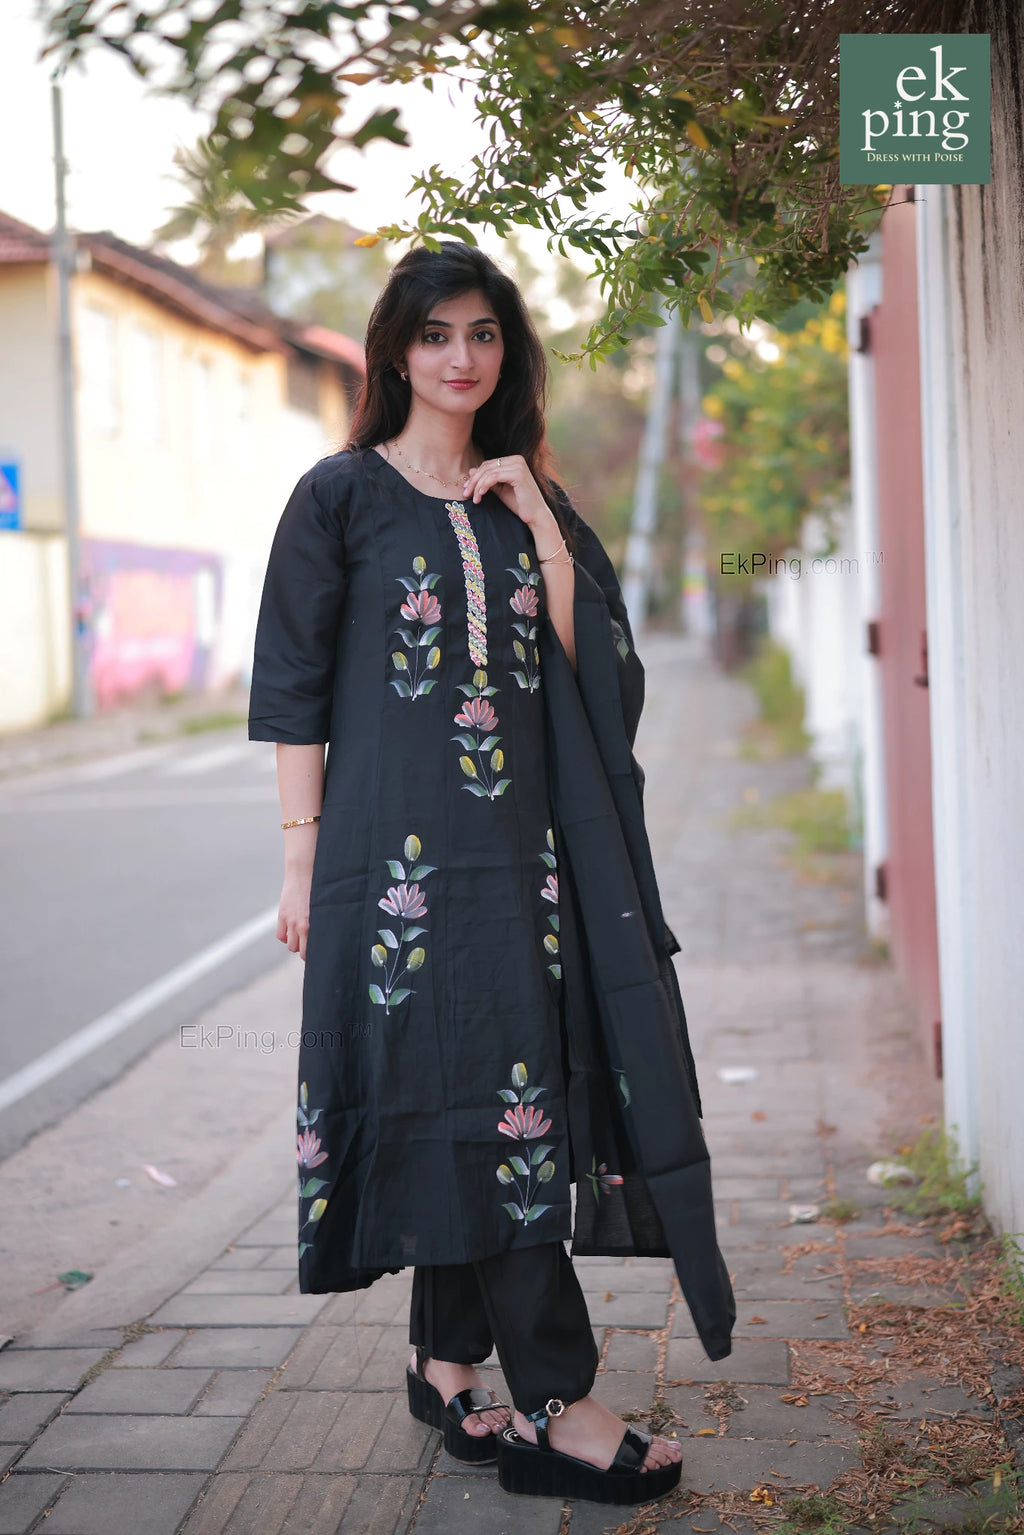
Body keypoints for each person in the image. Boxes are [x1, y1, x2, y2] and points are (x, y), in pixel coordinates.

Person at [249, 241, 731, 1506]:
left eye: (482, 334)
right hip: (384, 867)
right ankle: (557, 1403)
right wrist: (299, 867)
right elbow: (293, 692)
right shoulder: (339, 496)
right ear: (394, 350)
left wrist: (545, 538)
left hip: (522, 864)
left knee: (505, 1100)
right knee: (451, 1096)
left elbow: (601, 682)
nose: (460, 359)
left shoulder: (534, 501)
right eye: (435, 335)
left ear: (505, 350)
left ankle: (450, 1359)